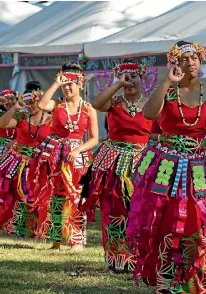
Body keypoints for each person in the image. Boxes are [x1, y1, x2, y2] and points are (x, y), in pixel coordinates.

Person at [126, 41, 206, 292]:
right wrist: (166, 81)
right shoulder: (168, 93)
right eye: (184, 58)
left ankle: (193, 283)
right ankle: (165, 283)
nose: (190, 62)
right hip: (164, 169)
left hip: (196, 170)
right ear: (176, 64)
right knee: (164, 221)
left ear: (201, 61)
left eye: (194, 57)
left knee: (195, 222)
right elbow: (149, 115)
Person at [80, 59, 152, 273]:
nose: (129, 81)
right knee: (114, 209)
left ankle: (140, 257)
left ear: (142, 78)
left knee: (141, 209)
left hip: (142, 162)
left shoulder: (151, 103)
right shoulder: (114, 103)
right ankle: (117, 259)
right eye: (125, 77)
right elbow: (95, 104)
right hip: (113, 161)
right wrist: (118, 84)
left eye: (133, 77)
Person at [28, 61, 99, 251]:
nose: (67, 87)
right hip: (55, 155)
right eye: (64, 83)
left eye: (71, 83)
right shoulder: (57, 104)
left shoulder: (88, 108)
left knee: (76, 197)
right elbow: (42, 104)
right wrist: (55, 84)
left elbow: (94, 139)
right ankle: (57, 239)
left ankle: (77, 240)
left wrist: (77, 149)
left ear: (80, 84)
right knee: (56, 196)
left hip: (77, 158)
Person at [0, 81, 52, 237]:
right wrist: (15, 107)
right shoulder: (21, 117)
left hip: (40, 163)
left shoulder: (50, 120)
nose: (31, 105)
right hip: (18, 163)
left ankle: (36, 229)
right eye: (28, 103)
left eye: (34, 102)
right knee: (16, 195)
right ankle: (17, 228)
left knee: (38, 194)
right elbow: (2, 123)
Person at [0, 90, 18, 161]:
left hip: (16, 153)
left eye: (12, 99)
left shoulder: (24, 116)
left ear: (17, 100)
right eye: (6, 99)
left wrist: (15, 142)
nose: (10, 102)